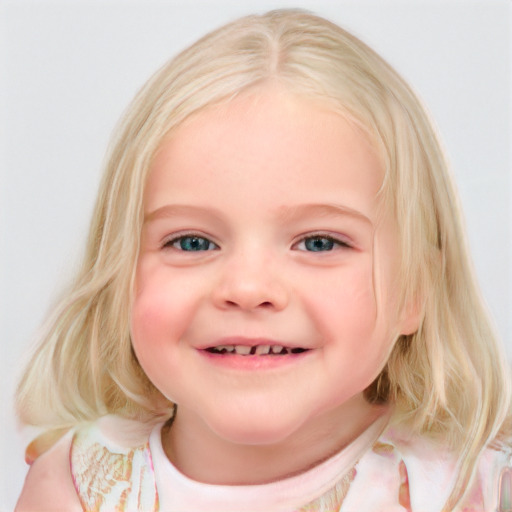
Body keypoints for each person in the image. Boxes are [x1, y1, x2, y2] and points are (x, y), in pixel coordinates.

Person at [14, 9, 511, 512]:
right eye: (192, 243)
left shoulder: (473, 492)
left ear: (415, 288)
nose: (248, 287)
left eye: (319, 243)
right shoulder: (76, 487)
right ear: (119, 274)